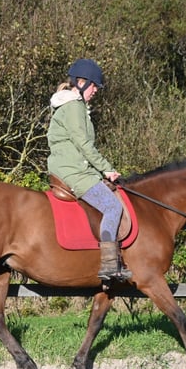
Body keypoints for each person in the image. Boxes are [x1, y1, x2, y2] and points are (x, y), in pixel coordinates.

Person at [46, 58, 132, 282]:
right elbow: (84, 145)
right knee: (113, 207)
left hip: (74, 168)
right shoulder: (74, 107)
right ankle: (109, 265)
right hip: (74, 172)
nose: (95, 91)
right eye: (94, 86)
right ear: (81, 82)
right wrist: (107, 170)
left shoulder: (73, 106)